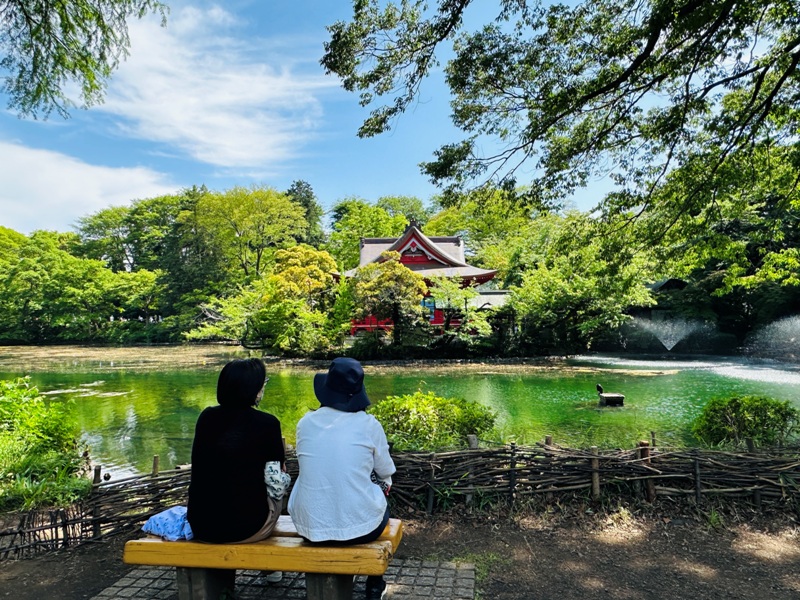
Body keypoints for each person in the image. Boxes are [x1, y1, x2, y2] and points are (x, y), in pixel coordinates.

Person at [288, 357, 396, 600]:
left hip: (309, 527)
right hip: (362, 530)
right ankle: (374, 584)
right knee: (381, 497)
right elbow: (386, 471)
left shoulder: (305, 423)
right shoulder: (369, 424)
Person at [187, 358, 287, 549]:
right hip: (248, 529)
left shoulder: (207, 418)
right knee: (278, 483)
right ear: (255, 389)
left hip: (202, 526)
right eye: (263, 383)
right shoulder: (268, 424)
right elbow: (276, 483)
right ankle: (266, 562)